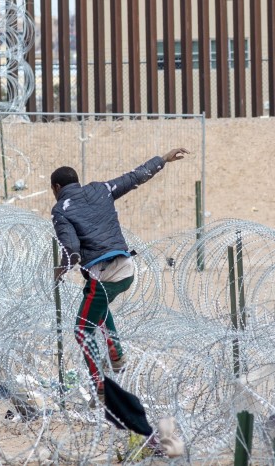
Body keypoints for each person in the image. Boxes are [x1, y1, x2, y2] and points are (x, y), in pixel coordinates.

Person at [50, 147, 190, 407]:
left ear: (56, 187)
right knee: (98, 306)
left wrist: (61, 269)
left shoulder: (61, 210)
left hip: (104, 275)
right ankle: (116, 356)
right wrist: (163, 159)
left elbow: (71, 250)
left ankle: (101, 389)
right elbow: (135, 177)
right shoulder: (99, 189)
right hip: (126, 269)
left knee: (82, 330)